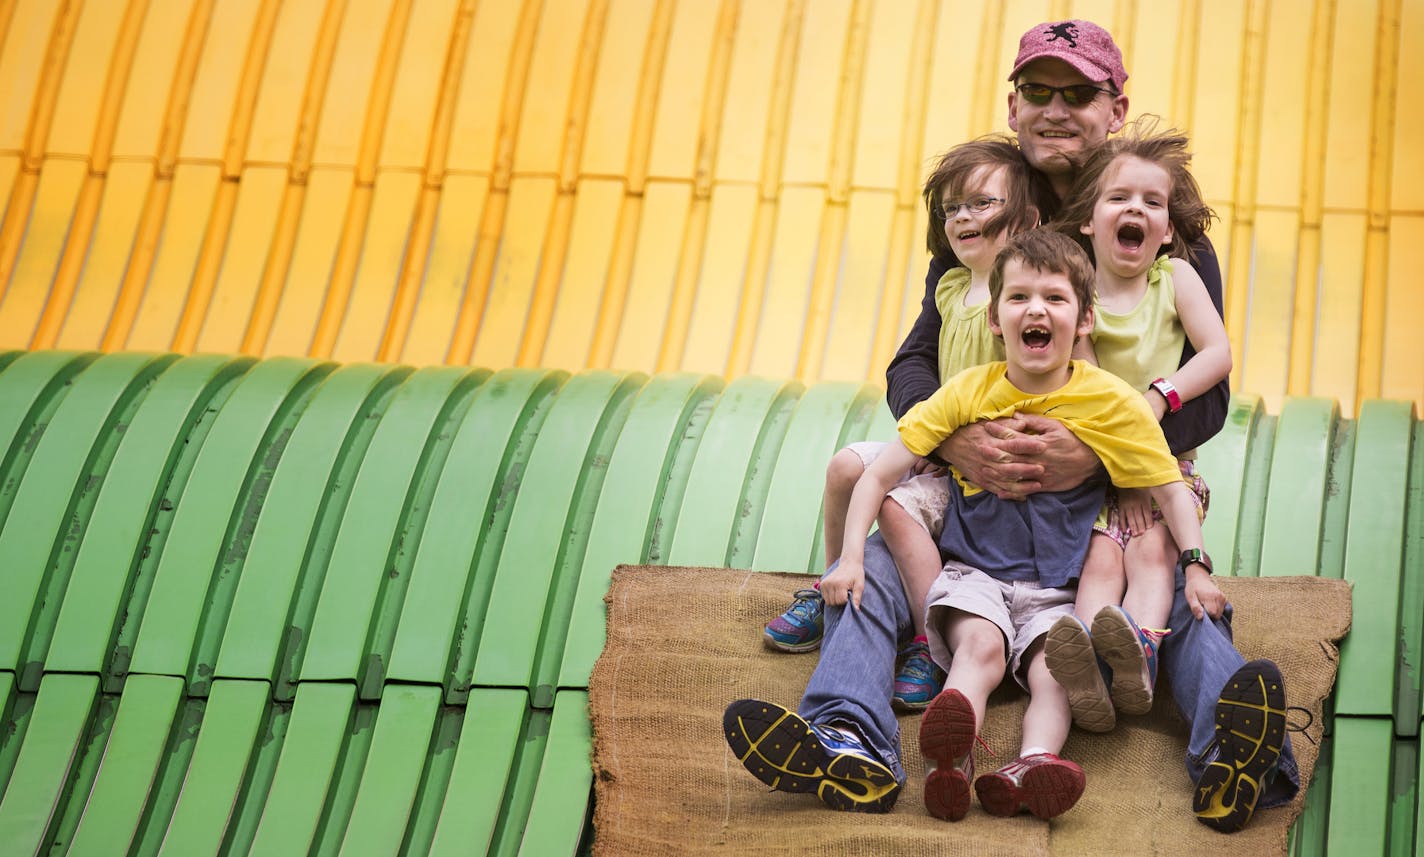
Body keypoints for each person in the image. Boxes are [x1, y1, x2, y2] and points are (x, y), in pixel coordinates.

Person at [730, 19, 1297, 831]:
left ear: (1116, 106)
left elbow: (1209, 392)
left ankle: (1235, 760)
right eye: (1039, 90)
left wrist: (1100, 452)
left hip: (1121, 483)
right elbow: (914, 363)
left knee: (1167, 594)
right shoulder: (986, 205)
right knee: (881, 566)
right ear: (1015, 103)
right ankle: (848, 740)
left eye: (1079, 92)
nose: (1056, 108)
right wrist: (957, 437)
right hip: (979, 479)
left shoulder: (1162, 229)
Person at [764, 138, 1054, 714]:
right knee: (846, 466)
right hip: (939, 437)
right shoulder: (949, 286)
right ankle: (830, 585)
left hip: (980, 458)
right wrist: (932, 436)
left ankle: (929, 639)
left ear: (1026, 219)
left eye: (981, 204)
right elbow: (913, 363)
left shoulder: (1020, 294)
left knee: (899, 509)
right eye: (952, 209)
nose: (963, 217)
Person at [1039, 121, 1233, 734]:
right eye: (1119, 198)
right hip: (1103, 469)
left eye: (1153, 203)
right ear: (1088, 221)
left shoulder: (1175, 279)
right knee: (1100, 559)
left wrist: (1160, 396)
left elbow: (1217, 354)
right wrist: (1120, 459)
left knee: (1151, 550)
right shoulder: (1078, 291)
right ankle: (1090, 664)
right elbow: (1088, 383)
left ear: (1169, 231)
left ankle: (1141, 649)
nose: (1137, 210)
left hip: (1168, 466)